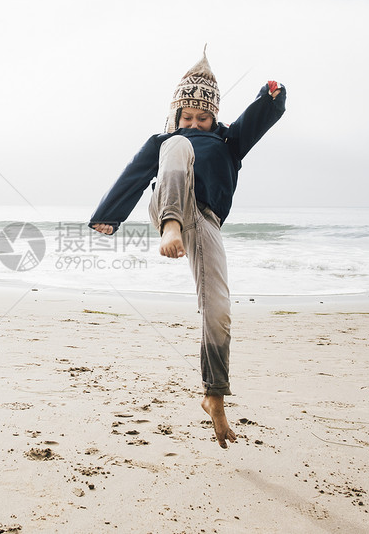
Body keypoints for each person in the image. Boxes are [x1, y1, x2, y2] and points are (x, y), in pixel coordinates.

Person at [88, 48, 286, 448]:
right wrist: (108, 216)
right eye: (186, 117)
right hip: (168, 210)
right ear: (176, 115)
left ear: (214, 118)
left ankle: (213, 395)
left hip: (206, 221)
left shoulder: (228, 142)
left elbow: (255, 121)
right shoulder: (166, 140)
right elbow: (134, 175)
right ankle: (171, 226)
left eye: (202, 118)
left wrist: (272, 98)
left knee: (219, 309)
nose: (193, 123)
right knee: (176, 148)